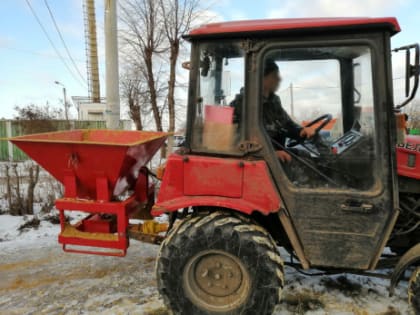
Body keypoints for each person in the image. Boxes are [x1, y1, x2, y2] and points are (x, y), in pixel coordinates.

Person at [230, 59, 315, 162]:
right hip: (259, 160)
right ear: (262, 78)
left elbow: (287, 124)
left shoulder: (274, 101)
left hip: (276, 157)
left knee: (306, 156)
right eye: (274, 75)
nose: (279, 79)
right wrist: (269, 154)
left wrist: (301, 131)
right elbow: (235, 142)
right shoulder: (241, 105)